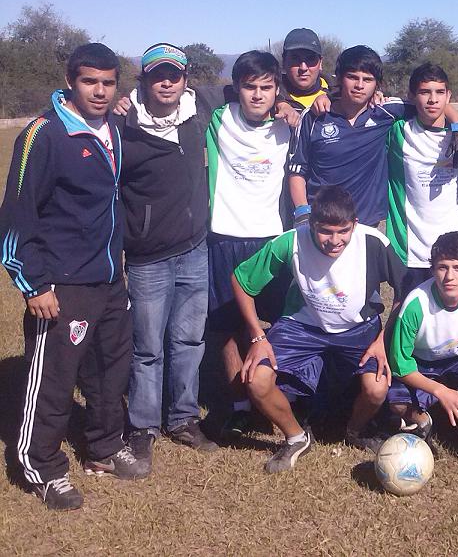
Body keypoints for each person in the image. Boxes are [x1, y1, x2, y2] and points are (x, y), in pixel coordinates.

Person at [0, 43, 148, 511]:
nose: (100, 91)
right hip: (61, 284)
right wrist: (34, 284)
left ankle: (104, 446)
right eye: (90, 82)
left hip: (109, 279)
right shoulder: (43, 135)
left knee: (109, 371)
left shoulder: (113, 129)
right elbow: (17, 217)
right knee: (53, 378)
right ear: (70, 82)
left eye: (108, 83)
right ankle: (40, 466)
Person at [233, 186, 406, 471]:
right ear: (311, 224)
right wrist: (257, 336)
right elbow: (242, 280)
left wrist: (382, 340)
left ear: (355, 224)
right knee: (256, 380)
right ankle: (296, 437)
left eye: (343, 231)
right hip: (302, 327)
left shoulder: (374, 242)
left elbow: (405, 291)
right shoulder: (291, 241)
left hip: (359, 330)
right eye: (326, 231)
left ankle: (355, 431)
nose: (335, 241)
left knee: (377, 389)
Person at [118, 43, 216, 469]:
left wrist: (287, 102)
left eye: (173, 75)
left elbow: (256, 84)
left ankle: (183, 418)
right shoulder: (123, 122)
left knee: (189, 340)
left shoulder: (200, 110)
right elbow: (71, 104)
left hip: (195, 249)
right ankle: (143, 426)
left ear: (185, 80)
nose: (166, 83)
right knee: (147, 347)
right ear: (143, 80)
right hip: (147, 258)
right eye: (157, 75)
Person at [205, 51, 295, 439]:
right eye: (249, 87)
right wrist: (128, 100)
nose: (257, 95)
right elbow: (173, 95)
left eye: (266, 88)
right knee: (227, 328)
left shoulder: (290, 126)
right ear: (237, 88)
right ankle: (240, 407)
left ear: (277, 90)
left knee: (271, 324)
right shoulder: (217, 118)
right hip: (224, 236)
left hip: (270, 239)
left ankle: (269, 397)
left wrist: (290, 107)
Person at [289, 46, 458, 227]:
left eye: (367, 79)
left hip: (367, 224)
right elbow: (297, 170)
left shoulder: (385, 111)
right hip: (323, 224)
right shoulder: (313, 116)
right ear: (340, 78)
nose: (359, 85)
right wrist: (302, 212)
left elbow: (431, 102)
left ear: (377, 84)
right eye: (352, 77)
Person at [386, 232, 458, 448]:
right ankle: (424, 419)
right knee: (397, 403)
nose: (449, 276)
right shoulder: (415, 303)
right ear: (432, 270)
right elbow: (400, 365)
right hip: (423, 364)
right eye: (442, 267)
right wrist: (441, 391)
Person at [385, 63, 458, 295]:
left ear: (448, 96)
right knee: (405, 307)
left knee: (452, 311)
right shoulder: (397, 132)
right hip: (411, 248)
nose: (433, 99)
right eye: (424, 92)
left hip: (455, 247)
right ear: (412, 96)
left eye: (440, 92)